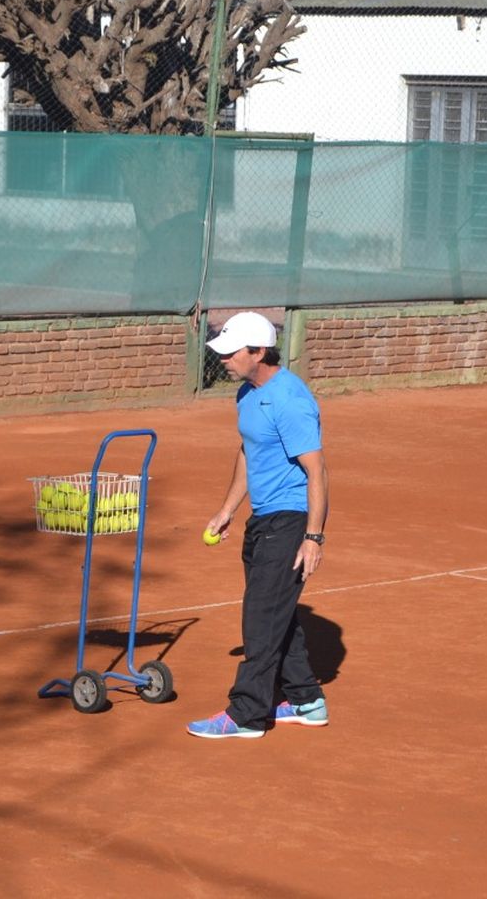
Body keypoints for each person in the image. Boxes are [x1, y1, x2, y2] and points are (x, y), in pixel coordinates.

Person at [187, 311, 330, 739]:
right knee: (277, 613)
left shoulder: (290, 400)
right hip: (261, 519)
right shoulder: (247, 395)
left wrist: (313, 537)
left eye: (232, 354)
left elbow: (317, 471)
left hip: (289, 521)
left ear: (259, 352)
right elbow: (249, 454)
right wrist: (227, 509)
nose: (224, 360)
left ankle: (247, 714)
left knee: (261, 618)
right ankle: (306, 699)